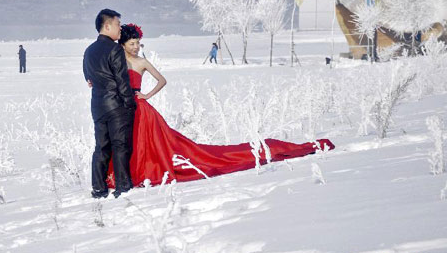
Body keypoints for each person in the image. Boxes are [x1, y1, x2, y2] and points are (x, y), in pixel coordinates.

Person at [107, 24, 335, 187]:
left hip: (141, 109)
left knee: (149, 145)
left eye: (138, 43)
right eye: (132, 43)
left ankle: (144, 173)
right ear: (123, 45)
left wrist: (146, 95)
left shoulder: (142, 61)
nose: (136, 47)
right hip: (123, 108)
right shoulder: (117, 60)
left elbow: (162, 80)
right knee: (127, 143)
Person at [83, 9, 137, 199]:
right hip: (116, 105)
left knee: (101, 147)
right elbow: (122, 81)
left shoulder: (89, 50)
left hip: (98, 105)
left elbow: (87, 77)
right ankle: (123, 186)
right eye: (117, 24)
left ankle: (98, 188)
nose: (120, 29)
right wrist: (130, 103)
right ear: (107, 26)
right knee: (120, 146)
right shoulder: (115, 49)